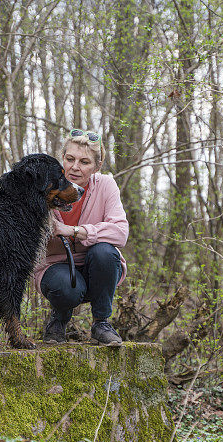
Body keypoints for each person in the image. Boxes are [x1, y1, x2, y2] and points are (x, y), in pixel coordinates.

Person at [33, 129, 129, 346]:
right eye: (70, 159)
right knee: (65, 287)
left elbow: (121, 232)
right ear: (62, 160)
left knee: (105, 251)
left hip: (97, 269)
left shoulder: (105, 185)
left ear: (97, 166)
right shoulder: (44, 186)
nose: (75, 167)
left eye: (84, 162)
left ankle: (101, 323)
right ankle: (58, 320)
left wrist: (75, 231)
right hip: (55, 269)